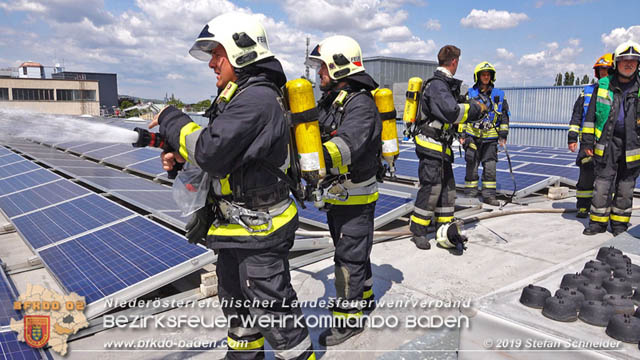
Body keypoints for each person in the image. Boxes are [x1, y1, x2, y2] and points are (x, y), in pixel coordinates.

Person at [151, 13, 315, 360]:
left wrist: (171, 118)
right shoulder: (237, 97)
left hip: (260, 231)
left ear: (241, 52)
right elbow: (226, 157)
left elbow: (211, 151)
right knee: (237, 304)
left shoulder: (256, 99)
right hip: (234, 229)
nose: (212, 62)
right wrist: (181, 160)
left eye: (217, 52)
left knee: (275, 314)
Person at [305, 35, 381, 346]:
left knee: (348, 260)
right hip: (340, 196)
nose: (319, 72)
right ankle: (366, 298)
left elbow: (345, 148)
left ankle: (348, 321)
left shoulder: (360, 104)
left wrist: (309, 163)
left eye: (323, 66)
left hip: (356, 198)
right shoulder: (333, 101)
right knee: (355, 255)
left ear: (339, 67)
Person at [409, 45, 486, 250]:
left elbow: (453, 113)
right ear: (454, 62)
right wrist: (477, 108)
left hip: (441, 146)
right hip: (430, 144)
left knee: (447, 189)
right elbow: (451, 112)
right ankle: (418, 231)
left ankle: (443, 229)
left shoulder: (445, 85)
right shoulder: (437, 85)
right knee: (431, 187)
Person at [582, 41, 640, 236]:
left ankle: (619, 225)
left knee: (626, 186)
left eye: (634, 61)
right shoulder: (604, 85)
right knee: (602, 184)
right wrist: (587, 142)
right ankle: (597, 223)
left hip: (634, 144)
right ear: (617, 63)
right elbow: (590, 117)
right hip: (607, 142)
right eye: (624, 60)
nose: (629, 64)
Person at [568, 53, 614, 218]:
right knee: (586, 175)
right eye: (601, 70)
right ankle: (582, 207)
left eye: (607, 70)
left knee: (608, 178)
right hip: (589, 142)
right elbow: (577, 116)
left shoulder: (617, 92)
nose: (604, 73)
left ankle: (606, 208)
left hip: (610, 144)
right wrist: (572, 138)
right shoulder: (587, 92)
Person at [460, 61, 510, 206]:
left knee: (490, 169)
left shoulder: (499, 95)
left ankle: (489, 196)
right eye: (483, 74)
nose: (486, 77)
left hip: (491, 139)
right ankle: (470, 196)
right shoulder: (469, 94)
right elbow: (462, 115)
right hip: (472, 137)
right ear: (478, 76)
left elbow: (505, 117)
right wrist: (462, 135)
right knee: (472, 167)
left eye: (488, 74)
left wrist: (503, 135)